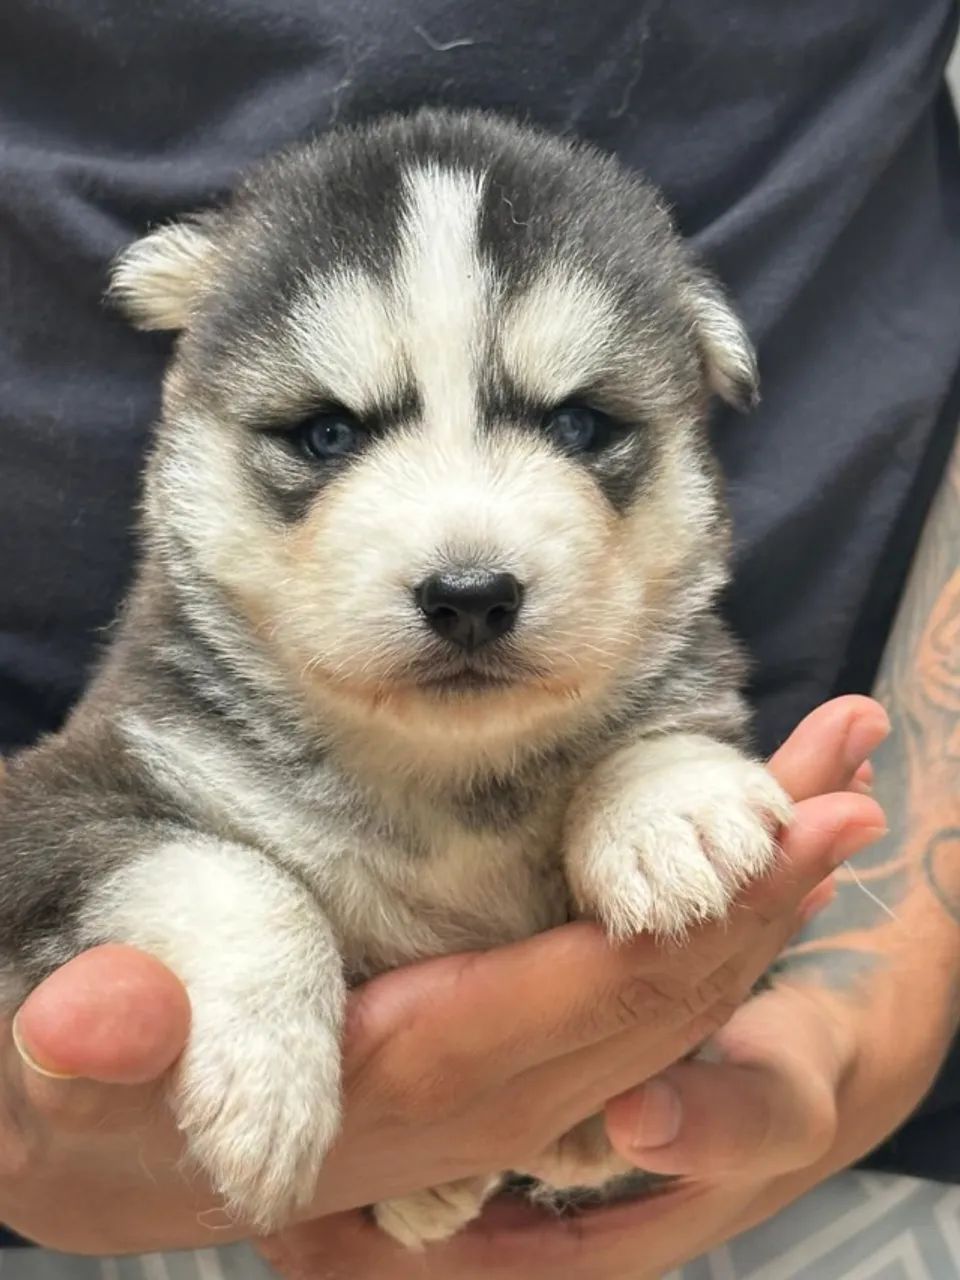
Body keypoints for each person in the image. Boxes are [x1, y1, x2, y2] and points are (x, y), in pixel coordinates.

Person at [0, 1, 958, 1275]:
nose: (469, 564)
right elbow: (53, 840)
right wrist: (229, 926)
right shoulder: (168, 742)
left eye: (580, 426)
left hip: (814, 1157)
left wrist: (868, 989)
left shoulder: (657, 733)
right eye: (326, 433)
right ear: (185, 424)